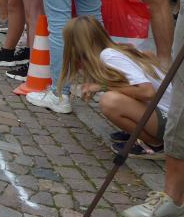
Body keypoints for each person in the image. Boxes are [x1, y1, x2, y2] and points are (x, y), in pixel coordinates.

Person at [59, 16, 169, 159]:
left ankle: (155, 144)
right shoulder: (117, 49)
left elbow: (148, 92)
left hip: (171, 121)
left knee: (110, 102)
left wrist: (104, 86)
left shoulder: (109, 56)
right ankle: (141, 132)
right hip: (170, 116)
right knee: (116, 96)